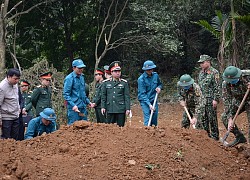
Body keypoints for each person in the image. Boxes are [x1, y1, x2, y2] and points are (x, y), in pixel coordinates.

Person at [221, 66, 249, 146]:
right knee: (224, 117)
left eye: (233, 80)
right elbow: (227, 101)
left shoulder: (247, 75)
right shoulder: (225, 83)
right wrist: (230, 118)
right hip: (238, 101)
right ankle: (240, 137)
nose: (232, 82)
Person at [63, 59, 93, 125]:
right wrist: (73, 105)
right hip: (74, 108)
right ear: (74, 68)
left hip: (82, 107)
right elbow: (66, 94)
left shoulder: (82, 77)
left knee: (84, 125)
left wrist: (88, 102)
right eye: (79, 68)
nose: (81, 69)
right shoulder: (69, 78)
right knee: (73, 126)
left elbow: (83, 93)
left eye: (82, 68)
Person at [197, 55, 220, 140]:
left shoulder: (214, 72)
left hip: (211, 99)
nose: (201, 65)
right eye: (200, 63)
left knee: (212, 119)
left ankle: (215, 137)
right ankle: (206, 137)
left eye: (202, 63)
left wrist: (216, 99)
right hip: (202, 100)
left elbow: (217, 87)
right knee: (203, 119)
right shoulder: (201, 73)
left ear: (208, 62)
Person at [101, 61, 130, 127]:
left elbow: (126, 96)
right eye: (115, 71)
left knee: (120, 127)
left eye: (119, 71)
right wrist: (103, 107)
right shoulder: (106, 83)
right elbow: (103, 96)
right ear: (111, 72)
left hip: (120, 109)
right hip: (110, 108)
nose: (118, 73)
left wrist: (127, 108)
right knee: (110, 127)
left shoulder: (124, 83)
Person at [137, 60, 162, 126]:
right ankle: (146, 132)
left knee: (154, 116)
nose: (150, 71)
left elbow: (159, 84)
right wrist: (149, 104)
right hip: (144, 101)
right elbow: (142, 94)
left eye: (151, 69)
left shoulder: (155, 75)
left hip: (153, 99)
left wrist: (159, 88)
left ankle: (154, 132)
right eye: (148, 70)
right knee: (148, 116)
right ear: (145, 70)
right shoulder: (141, 79)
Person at [0, 68, 21, 140]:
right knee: (7, 139)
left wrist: (18, 108)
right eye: (15, 79)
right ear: (9, 77)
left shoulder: (15, 85)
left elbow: (16, 98)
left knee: (15, 138)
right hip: (6, 117)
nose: (17, 81)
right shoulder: (2, 87)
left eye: (18, 79)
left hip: (15, 115)